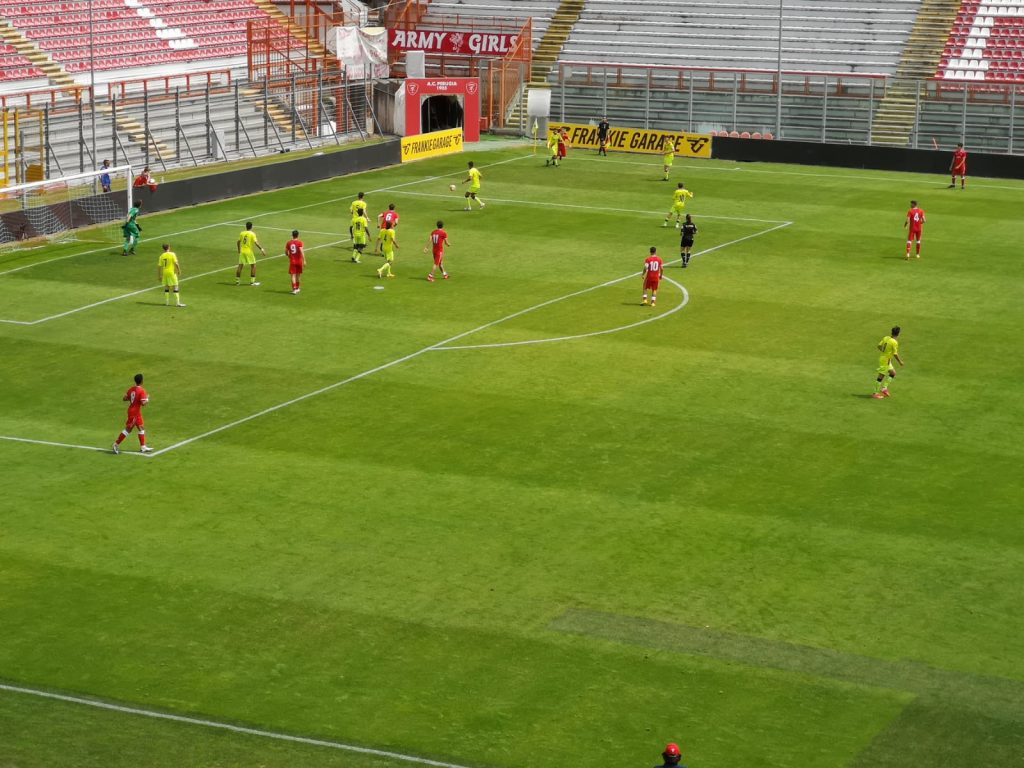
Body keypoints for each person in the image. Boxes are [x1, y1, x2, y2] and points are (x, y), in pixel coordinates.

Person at [112, 373, 153, 454]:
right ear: (142, 381)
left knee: (141, 428)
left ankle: (143, 447)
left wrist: (132, 399)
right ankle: (116, 444)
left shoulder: (131, 389)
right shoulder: (142, 390)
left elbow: (124, 398)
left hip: (135, 411)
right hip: (134, 412)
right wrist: (147, 399)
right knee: (128, 429)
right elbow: (143, 403)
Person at [872, 326, 904, 399]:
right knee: (881, 376)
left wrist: (884, 351)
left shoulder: (886, 337)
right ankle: (875, 393)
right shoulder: (894, 342)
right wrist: (900, 362)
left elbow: (879, 346)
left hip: (885, 359)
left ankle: (884, 388)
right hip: (885, 361)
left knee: (893, 373)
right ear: (898, 334)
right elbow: (895, 354)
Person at [157, 243, 185, 307]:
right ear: (169, 247)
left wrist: (159, 275)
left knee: (166, 287)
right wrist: (179, 270)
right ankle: (177, 303)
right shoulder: (172, 254)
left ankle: (167, 302)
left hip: (165, 273)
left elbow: (159, 266)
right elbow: (176, 263)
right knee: (176, 286)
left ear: (163, 249)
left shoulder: (161, 256)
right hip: (171, 272)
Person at [286, 230, 305, 294]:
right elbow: (301, 251)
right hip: (299, 261)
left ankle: (294, 289)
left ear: (292, 235)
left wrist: (289, 256)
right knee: (298, 275)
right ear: (298, 235)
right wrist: (304, 260)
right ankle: (298, 288)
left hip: (292, 262)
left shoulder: (289, 243)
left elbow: (286, 252)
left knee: (293, 275)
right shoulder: (300, 242)